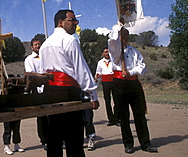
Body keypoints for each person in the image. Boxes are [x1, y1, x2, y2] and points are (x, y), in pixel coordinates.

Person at [39, 9, 99, 157]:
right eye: (72, 20)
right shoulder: (69, 40)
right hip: (68, 93)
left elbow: (42, 74)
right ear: (61, 22)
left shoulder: (44, 45)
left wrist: (42, 95)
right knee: (74, 138)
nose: (76, 23)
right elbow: (81, 69)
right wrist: (93, 94)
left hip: (50, 94)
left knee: (54, 137)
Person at [108, 24, 158, 154]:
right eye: (121, 35)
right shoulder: (115, 51)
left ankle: (146, 143)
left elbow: (142, 67)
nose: (124, 38)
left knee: (139, 114)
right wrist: (118, 26)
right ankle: (128, 143)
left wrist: (130, 72)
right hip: (120, 84)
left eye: (126, 36)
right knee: (124, 115)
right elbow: (112, 41)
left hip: (134, 84)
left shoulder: (134, 51)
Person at [24, 37, 49, 150]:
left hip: (48, 88)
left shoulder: (46, 57)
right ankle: (44, 140)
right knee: (42, 116)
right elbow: (31, 74)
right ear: (32, 47)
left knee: (52, 113)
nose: (38, 46)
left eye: (39, 44)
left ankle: (54, 138)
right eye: (36, 45)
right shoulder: (29, 59)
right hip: (38, 90)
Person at [95, 47, 120, 126]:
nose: (107, 53)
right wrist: (97, 77)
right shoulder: (100, 62)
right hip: (105, 82)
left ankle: (117, 118)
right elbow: (98, 72)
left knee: (116, 100)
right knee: (107, 101)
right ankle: (111, 119)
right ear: (103, 54)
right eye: (105, 52)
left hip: (114, 81)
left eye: (108, 52)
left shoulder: (114, 61)